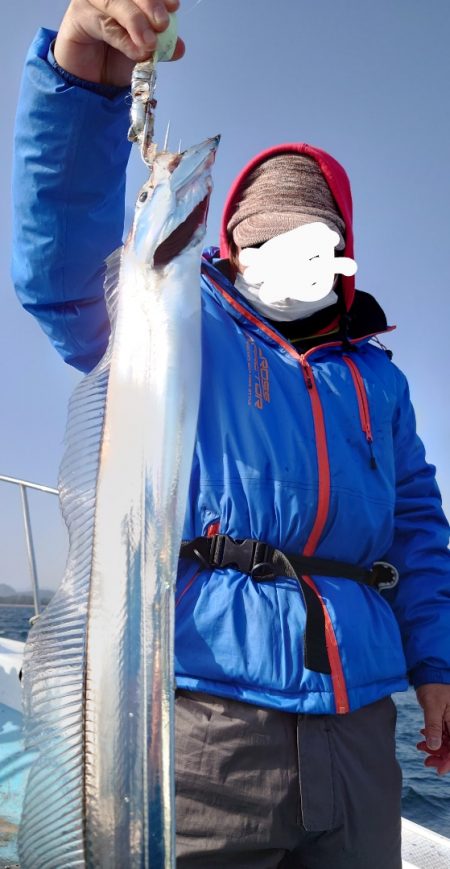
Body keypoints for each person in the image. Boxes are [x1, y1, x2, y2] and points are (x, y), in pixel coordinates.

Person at [12, 2, 450, 866]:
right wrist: (82, 75)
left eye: (312, 244)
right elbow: (62, 264)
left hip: (360, 727)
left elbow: (418, 531)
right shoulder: (174, 321)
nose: (286, 259)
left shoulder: (379, 380)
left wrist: (435, 664)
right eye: (258, 238)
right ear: (231, 250)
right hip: (205, 719)